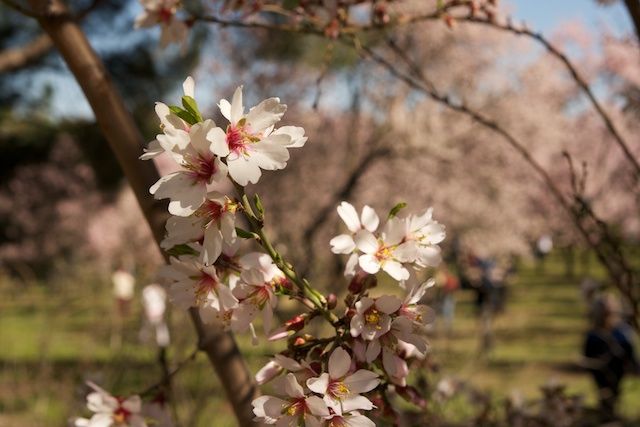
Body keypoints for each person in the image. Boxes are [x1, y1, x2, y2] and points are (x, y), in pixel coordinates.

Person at [583, 294, 639, 421]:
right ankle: (607, 413)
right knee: (605, 394)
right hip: (599, 369)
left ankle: (610, 414)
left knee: (613, 394)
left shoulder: (622, 332)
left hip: (617, 368)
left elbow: (630, 354)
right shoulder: (593, 335)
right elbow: (588, 354)